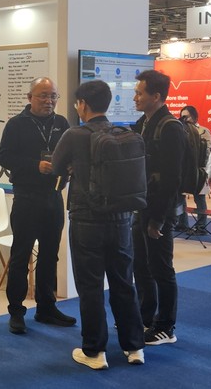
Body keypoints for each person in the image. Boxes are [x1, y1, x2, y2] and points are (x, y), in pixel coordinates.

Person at [51, 80, 145, 369]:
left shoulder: (74, 134)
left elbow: (55, 167)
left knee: (90, 287)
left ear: (83, 105)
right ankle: (134, 347)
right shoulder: (123, 134)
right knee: (123, 283)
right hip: (122, 221)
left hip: (87, 219)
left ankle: (94, 352)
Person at [0, 77, 74, 334]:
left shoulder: (62, 123)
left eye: (53, 96)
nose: (48, 101)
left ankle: (46, 307)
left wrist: (70, 166)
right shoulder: (16, 124)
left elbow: (70, 154)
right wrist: (35, 165)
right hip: (26, 197)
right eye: (43, 95)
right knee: (21, 256)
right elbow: (4, 157)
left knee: (50, 255)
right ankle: (16, 311)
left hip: (54, 197)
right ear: (30, 97)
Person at [132, 69, 186, 346]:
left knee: (162, 269)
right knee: (141, 265)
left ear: (156, 96)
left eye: (139, 93)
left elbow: (172, 179)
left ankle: (166, 327)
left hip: (160, 211)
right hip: (142, 206)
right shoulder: (143, 123)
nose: (135, 97)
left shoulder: (170, 128)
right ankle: (146, 317)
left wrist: (158, 220)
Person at [175, 105, 211, 233]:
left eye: (187, 116)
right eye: (182, 116)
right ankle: (182, 223)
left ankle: (201, 226)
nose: (184, 119)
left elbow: (208, 152)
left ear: (195, 117)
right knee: (180, 198)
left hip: (198, 170)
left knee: (199, 198)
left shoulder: (203, 131)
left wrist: (205, 170)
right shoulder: (180, 131)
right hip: (183, 170)